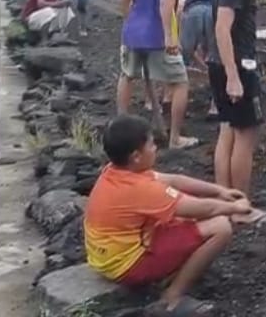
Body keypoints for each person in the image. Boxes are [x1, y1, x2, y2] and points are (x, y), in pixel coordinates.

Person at [84, 115, 255, 317]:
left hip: (106, 256)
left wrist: (219, 191)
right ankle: (172, 295)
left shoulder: (115, 171)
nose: (155, 147)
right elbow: (204, 210)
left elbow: (174, 180)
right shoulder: (141, 189)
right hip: (126, 265)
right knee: (220, 227)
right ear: (136, 156)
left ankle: (171, 274)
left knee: (182, 211)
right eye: (151, 144)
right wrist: (235, 208)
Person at [116, 0, 195, 150]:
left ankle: (120, 129)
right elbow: (166, 2)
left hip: (132, 33)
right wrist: (170, 36)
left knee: (128, 75)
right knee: (180, 83)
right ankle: (175, 138)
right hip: (157, 36)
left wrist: (131, 22)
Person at [209, 0, 266, 199]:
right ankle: (241, 203)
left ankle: (227, 200)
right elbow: (222, 27)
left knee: (228, 132)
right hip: (236, 66)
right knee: (245, 136)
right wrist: (233, 76)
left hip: (222, 63)